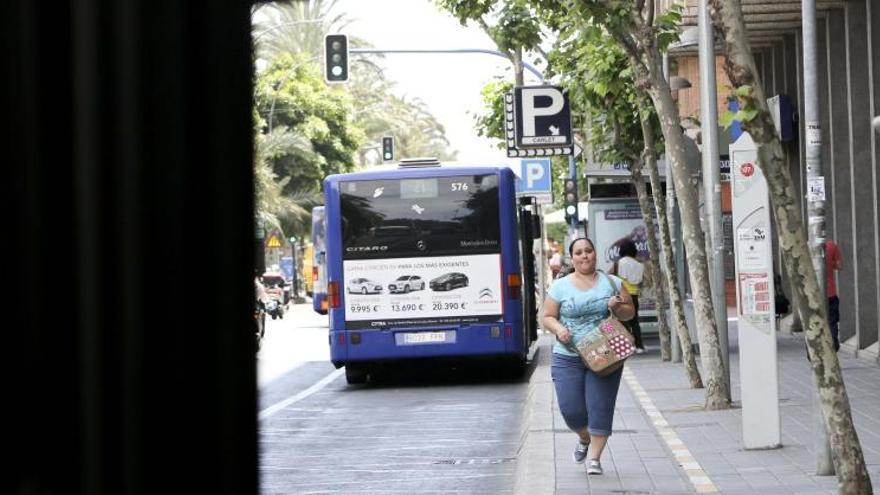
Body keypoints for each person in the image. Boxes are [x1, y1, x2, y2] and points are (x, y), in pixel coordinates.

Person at [542, 237, 635, 476]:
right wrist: (559, 329)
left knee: (600, 407)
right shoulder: (560, 286)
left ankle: (595, 458)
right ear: (572, 258)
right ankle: (584, 438)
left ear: (595, 254)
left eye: (589, 251)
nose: (585, 256)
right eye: (579, 252)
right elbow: (547, 316)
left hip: (605, 352)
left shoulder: (612, 282)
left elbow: (629, 314)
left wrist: (616, 307)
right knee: (571, 410)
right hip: (568, 355)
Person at [614, 239, 645, 353]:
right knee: (635, 321)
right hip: (635, 296)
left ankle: (626, 346)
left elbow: (612, 277)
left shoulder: (619, 263)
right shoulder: (639, 265)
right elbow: (640, 282)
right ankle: (639, 346)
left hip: (623, 296)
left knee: (623, 321)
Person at [825, 239, 843, 351]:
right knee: (832, 322)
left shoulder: (805, 247)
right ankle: (833, 347)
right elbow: (840, 266)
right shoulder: (832, 246)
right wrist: (830, 263)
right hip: (830, 293)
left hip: (813, 295)